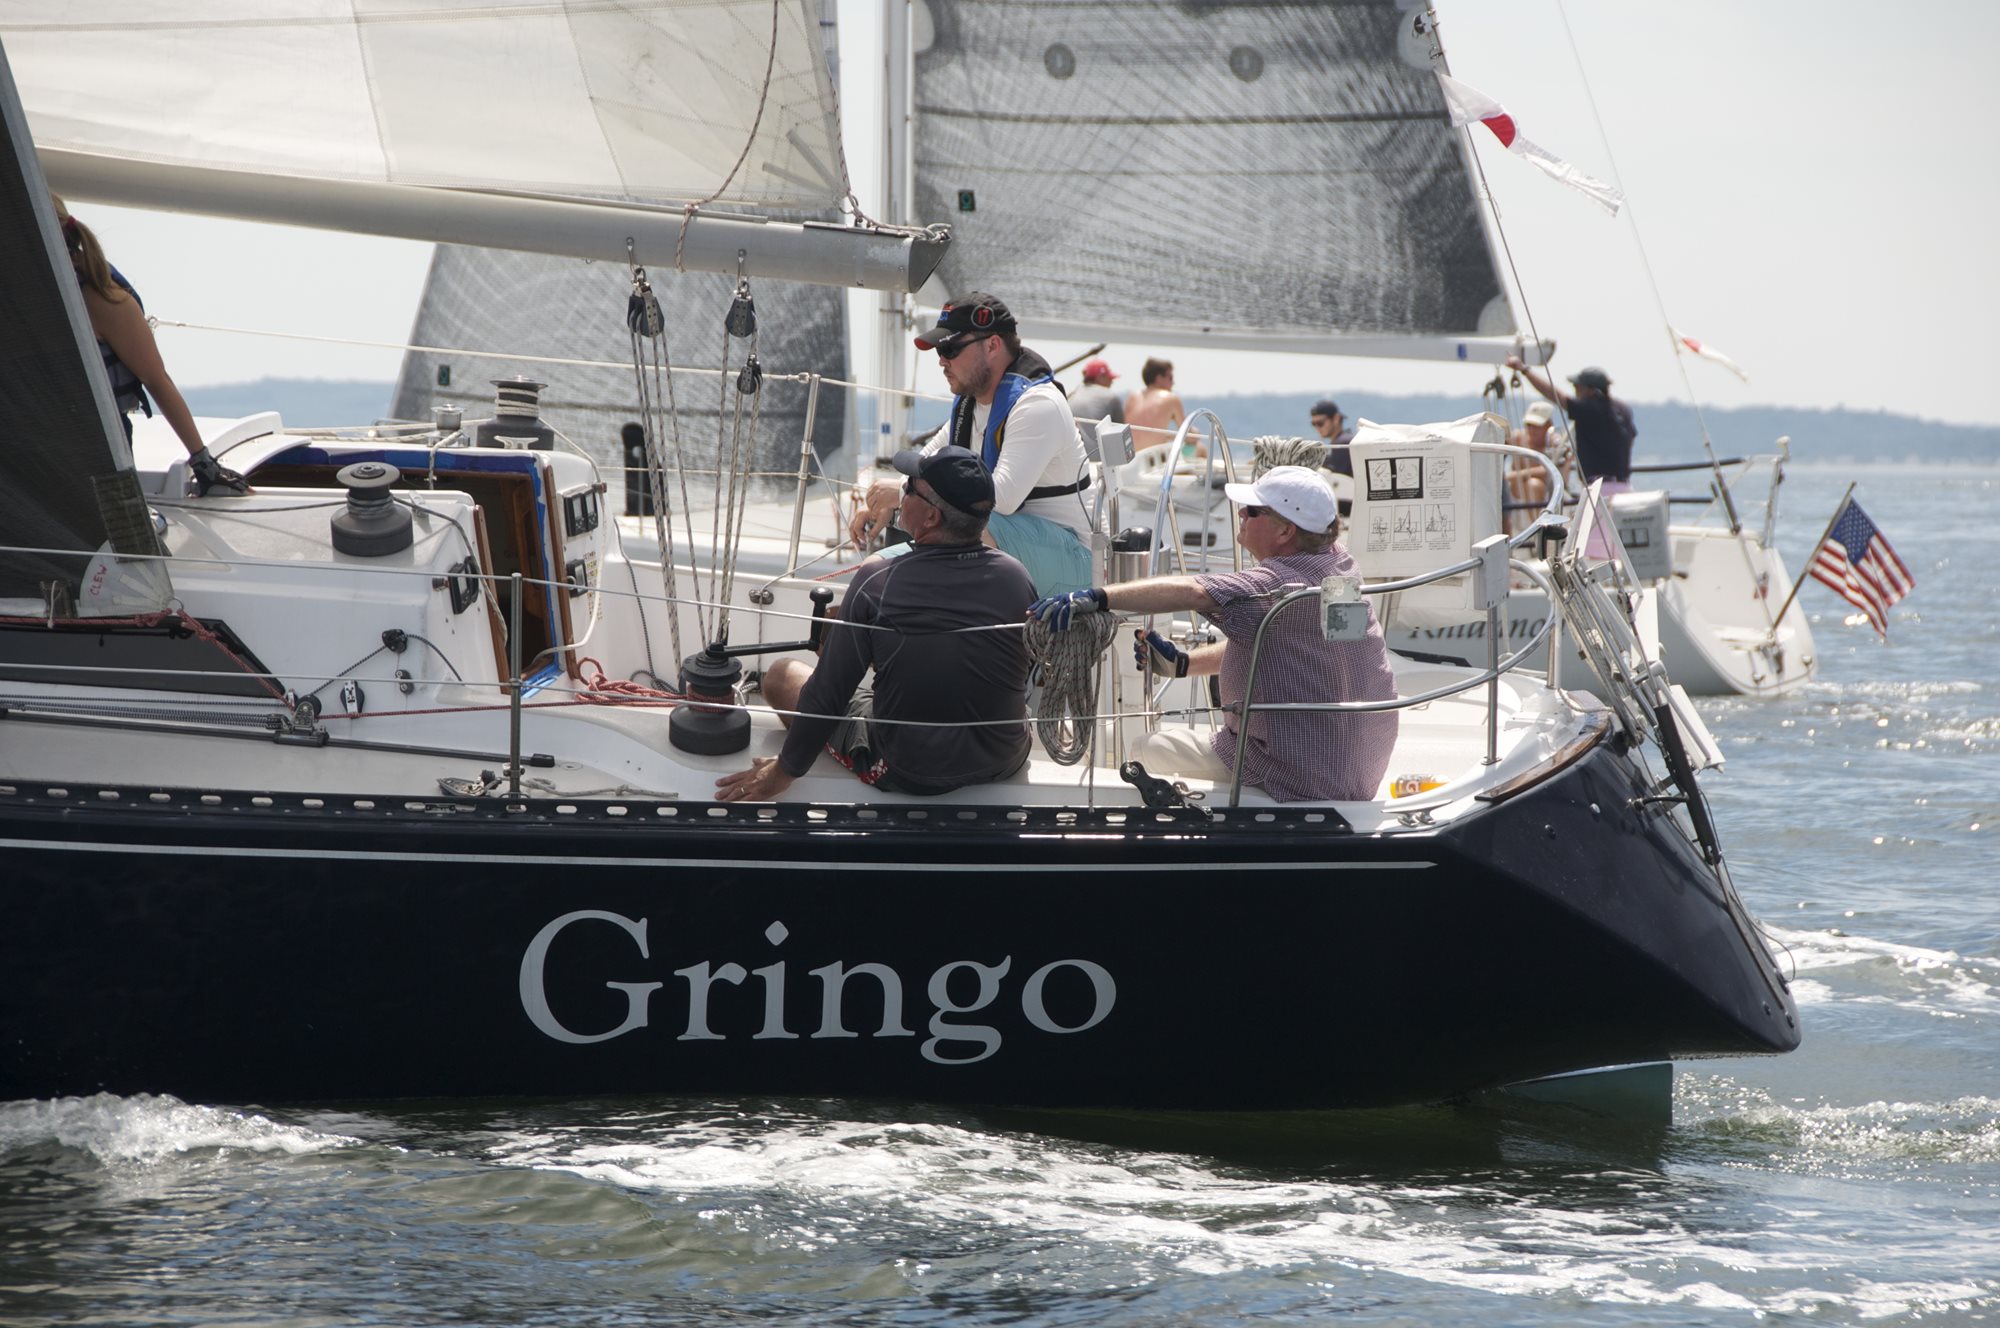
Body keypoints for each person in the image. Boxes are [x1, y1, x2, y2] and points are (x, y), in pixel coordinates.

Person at [1027, 466, 1398, 802]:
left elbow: (1196, 592)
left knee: (1145, 747)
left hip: (1292, 773)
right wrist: (1184, 664)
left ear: (1286, 531)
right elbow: (1293, 645)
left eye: (1253, 511)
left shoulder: (1275, 584)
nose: (1240, 514)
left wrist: (1097, 597)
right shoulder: (1338, 568)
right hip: (1353, 770)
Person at [719, 446, 1035, 802]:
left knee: (780, 677)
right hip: (1005, 758)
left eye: (909, 489)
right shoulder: (1016, 576)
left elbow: (828, 693)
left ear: (931, 517)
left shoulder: (878, 581)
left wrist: (784, 770)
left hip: (909, 769)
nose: (902, 494)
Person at [847, 293, 1094, 596]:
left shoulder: (1038, 405)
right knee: (874, 570)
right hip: (1008, 546)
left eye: (949, 349)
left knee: (966, 526)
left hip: (1076, 560)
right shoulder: (972, 405)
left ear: (992, 345)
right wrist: (887, 501)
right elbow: (926, 464)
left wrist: (899, 495)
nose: (941, 360)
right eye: (939, 351)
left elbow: (1000, 498)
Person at [53, 195, 247, 495]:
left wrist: (203, 462)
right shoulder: (24, 292)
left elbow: (155, 379)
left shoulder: (101, 298)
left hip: (94, 448)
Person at [1504, 356, 1635, 487]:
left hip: (1599, 488)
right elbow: (1632, 436)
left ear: (1591, 391)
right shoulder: (1623, 409)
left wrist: (1525, 370)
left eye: (1577, 387)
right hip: (1623, 485)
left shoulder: (1590, 408)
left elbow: (1556, 396)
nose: (1575, 391)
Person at [1505, 400, 1564, 535]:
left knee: (1533, 485)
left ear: (1548, 425)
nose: (1531, 430)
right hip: (1516, 496)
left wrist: (1512, 475)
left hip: (1545, 496)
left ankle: (1538, 532)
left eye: (1537, 425)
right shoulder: (1517, 438)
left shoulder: (1555, 443)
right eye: (1528, 425)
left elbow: (1547, 471)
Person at [1123, 357, 1188, 454]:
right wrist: (1196, 432)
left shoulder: (1132, 397)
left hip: (1130, 457)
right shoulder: (1171, 398)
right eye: (1170, 378)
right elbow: (1189, 436)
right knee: (1200, 449)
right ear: (1159, 378)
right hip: (1153, 459)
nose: (1173, 383)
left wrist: (1167, 436)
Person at [1067, 358, 1125, 463]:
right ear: (1100, 377)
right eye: (1109, 378)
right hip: (1102, 464)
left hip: (1077, 463)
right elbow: (1122, 437)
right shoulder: (1111, 396)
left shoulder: (1070, 397)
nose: (1112, 382)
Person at [1308, 398, 1356, 478]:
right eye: (1314, 424)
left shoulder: (1342, 442)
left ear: (1336, 419)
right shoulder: (1347, 439)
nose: (1317, 428)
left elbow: (1335, 478)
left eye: (1320, 423)